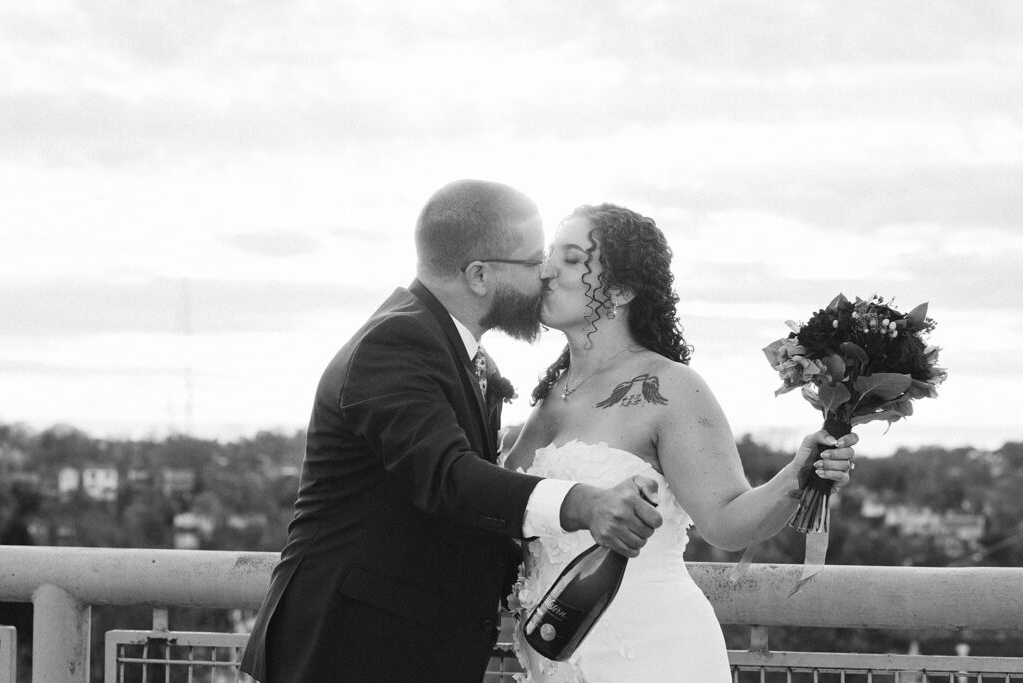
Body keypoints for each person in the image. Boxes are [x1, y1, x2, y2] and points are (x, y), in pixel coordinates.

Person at [239, 181, 663, 683]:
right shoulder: (395, 343)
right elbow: (449, 477)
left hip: (406, 649)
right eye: (533, 261)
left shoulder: (454, 350)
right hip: (347, 649)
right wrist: (584, 504)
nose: (546, 272)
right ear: (480, 275)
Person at [502, 203, 858, 682]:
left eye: (570, 259)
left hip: (650, 653)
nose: (546, 271)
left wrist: (796, 474)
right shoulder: (551, 395)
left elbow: (727, 523)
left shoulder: (671, 386)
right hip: (554, 654)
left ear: (622, 290)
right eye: (550, 257)